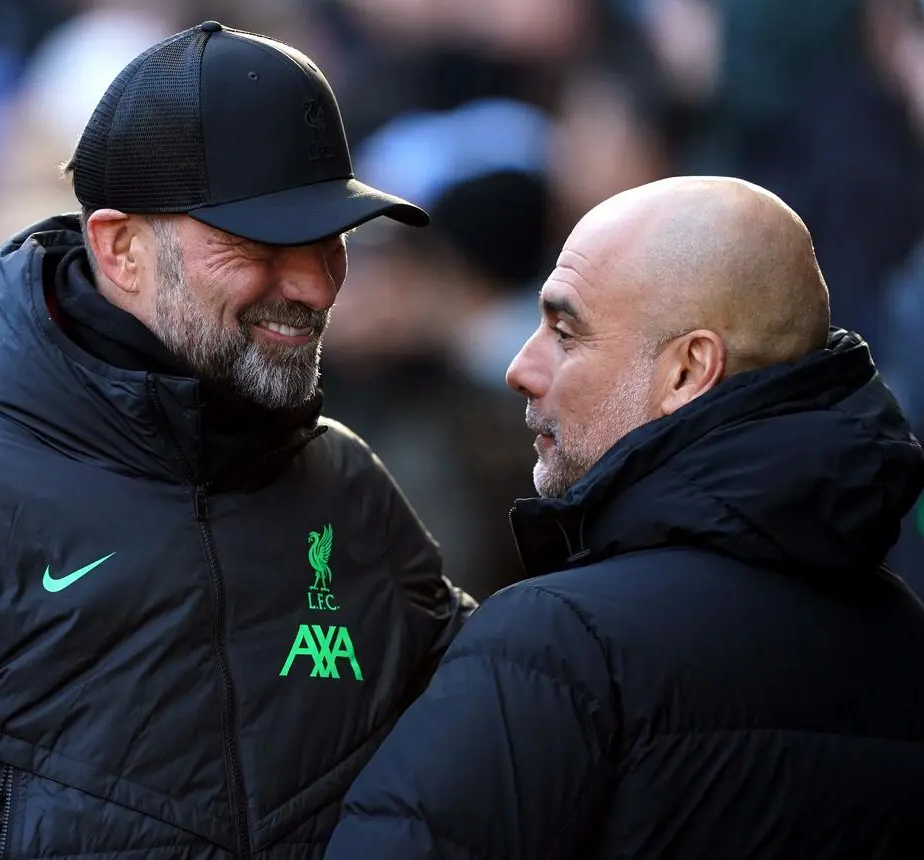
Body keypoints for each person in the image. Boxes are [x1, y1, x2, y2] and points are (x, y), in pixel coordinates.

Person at [0, 21, 473, 860]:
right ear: (120, 249)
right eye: (260, 244)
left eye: (330, 240)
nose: (313, 284)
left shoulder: (348, 488)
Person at [325, 176, 924, 859]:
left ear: (687, 371)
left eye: (565, 331)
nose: (521, 367)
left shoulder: (555, 641)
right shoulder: (905, 635)